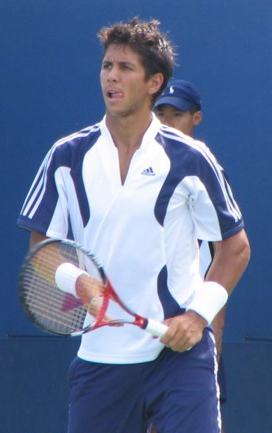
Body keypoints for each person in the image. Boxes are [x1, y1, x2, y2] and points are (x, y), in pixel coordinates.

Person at [17, 17, 250, 433]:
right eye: (107, 66)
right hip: (101, 358)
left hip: (179, 359)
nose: (112, 76)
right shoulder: (66, 156)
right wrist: (79, 283)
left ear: (154, 82)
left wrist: (197, 317)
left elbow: (236, 248)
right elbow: (43, 248)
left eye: (126, 68)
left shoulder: (191, 158)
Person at [153, 79, 228, 432]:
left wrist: (212, 335)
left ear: (196, 118)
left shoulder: (203, 171)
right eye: (161, 113)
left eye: (177, 114)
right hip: (143, 335)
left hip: (192, 331)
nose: (167, 122)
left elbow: (222, 259)